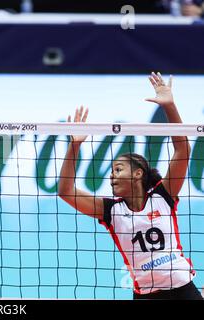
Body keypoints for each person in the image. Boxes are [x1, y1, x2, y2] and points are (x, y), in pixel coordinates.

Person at [58, 72, 202, 300]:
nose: (112, 176)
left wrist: (170, 106)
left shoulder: (164, 196)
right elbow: (65, 191)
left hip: (183, 291)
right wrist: (75, 146)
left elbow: (183, 150)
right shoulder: (111, 210)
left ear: (138, 173)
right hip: (146, 294)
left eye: (118, 169)